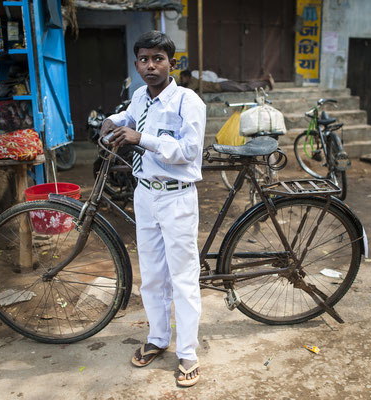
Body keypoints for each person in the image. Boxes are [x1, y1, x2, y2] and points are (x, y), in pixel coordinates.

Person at [100, 31, 206, 387]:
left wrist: (140, 138)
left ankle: (188, 352)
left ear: (171, 64)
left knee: (183, 277)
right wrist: (114, 121)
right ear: (136, 65)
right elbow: (130, 117)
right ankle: (159, 339)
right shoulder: (139, 97)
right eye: (144, 60)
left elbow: (188, 150)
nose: (150, 66)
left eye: (158, 59)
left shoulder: (188, 101)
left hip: (177, 197)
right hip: (145, 194)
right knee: (153, 274)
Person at [179, 69, 274, 93]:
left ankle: (264, 81)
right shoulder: (195, 78)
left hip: (221, 85)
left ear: (187, 77)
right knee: (243, 86)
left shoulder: (193, 80)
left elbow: (189, 90)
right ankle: (263, 82)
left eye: (182, 77)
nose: (181, 80)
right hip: (221, 84)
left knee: (243, 88)